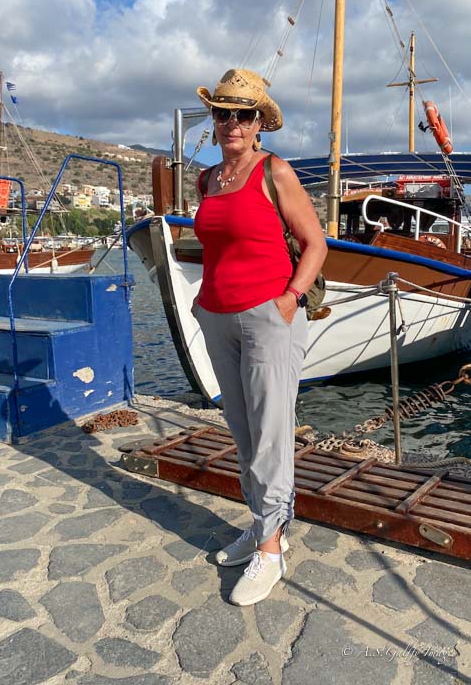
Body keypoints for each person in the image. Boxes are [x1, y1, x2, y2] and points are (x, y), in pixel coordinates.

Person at [192, 68, 327, 606]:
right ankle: (264, 524)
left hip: (269, 316)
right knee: (243, 428)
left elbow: (314, 243)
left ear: (257, 123)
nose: (231, 123)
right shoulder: (206, 180)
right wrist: (204, 305)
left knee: (271, 432)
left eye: (242, 114)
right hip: (217, 315)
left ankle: (270, 549)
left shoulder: (275, 172)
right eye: (222, 112)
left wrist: (291, 297)